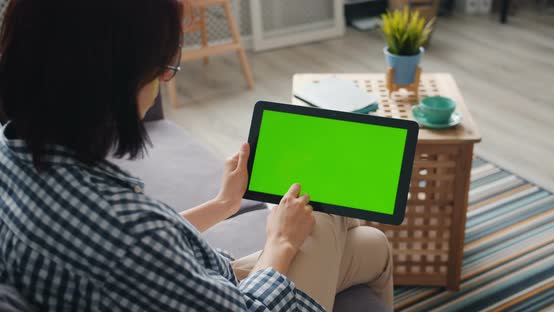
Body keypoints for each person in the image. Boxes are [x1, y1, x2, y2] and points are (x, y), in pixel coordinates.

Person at [0, 0, 393, 311]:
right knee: (320, 203)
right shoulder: (130, 235)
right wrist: (281, 242)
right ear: (116, 83)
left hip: (193, 285)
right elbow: (139, 247)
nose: (164, 80)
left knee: (373, 246)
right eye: (166, 67)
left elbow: (139, 249)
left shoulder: (13, 154)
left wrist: (224, 204)